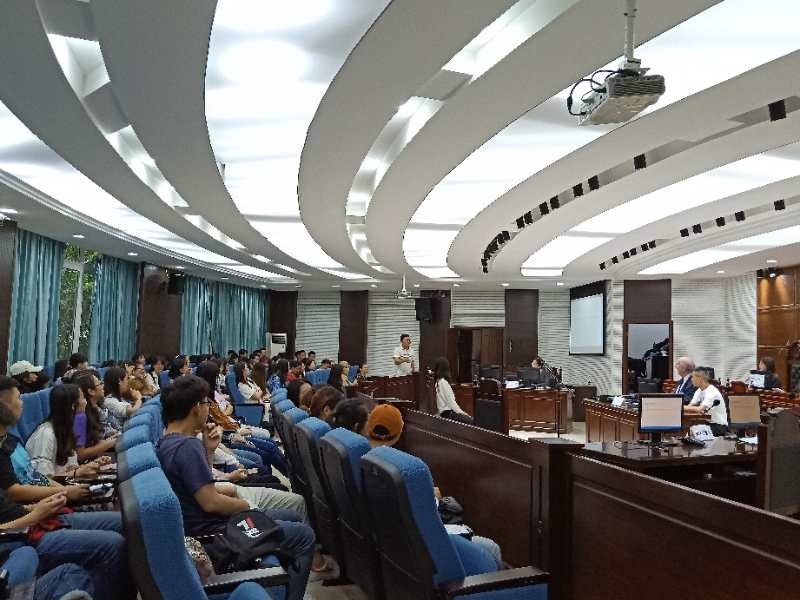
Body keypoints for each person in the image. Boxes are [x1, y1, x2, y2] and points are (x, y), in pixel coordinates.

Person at [156, 375, 314, 600]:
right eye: (206, 403)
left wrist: (209, 450)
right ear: (195, 408)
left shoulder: (166, 442)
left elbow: (198, 486)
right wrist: (245, 506)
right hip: (217, 532)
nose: (209, 409)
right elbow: (210, 502)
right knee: (305, 536)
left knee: (292, 516)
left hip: (206, 526)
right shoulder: (187, 446)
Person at [0, 377, 132, 599]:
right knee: (112, 544)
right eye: (18, 398)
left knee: (126, 520)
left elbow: (36, 476)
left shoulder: (10, 440)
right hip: (26, 530)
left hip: (40, 512)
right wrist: (61, 492)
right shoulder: (47, 433)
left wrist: (69, 482)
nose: (22, 403)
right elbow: (15, 491)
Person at [362, 403, 502, 565]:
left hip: (392, 544)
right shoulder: (403, 468)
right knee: (491, 547)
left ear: (368, 427)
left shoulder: (363, 457)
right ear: (399, 433)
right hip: (423, 547)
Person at [25, 384, 106, 478]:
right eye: (83, 398)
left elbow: (67, 469)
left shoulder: (66, 429)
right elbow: (40, 479)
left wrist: (90, 466)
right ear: (73, 406)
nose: (86, 402)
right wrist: (77, 473)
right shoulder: (46, 435)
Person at [72, 371, 119, 460]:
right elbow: (80, 454)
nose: (103, 385)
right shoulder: (80, 417)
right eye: (100, 383)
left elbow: (96, 441)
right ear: (91, 391)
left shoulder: (95, 410)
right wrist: (112, 442)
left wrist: (114, 439)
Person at [684, 367, 728, 436]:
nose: (691, 380)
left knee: (691, 433)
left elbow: (700, 409)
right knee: (686, 430)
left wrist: (680, 407)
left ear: (700, 378)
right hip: (706, 423)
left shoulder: (712, 391)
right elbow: (690, 406)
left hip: (718, 426)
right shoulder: (699, 390)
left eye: (693, 377)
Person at [433, 358, 473, 424]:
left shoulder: (438, 382)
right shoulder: (443, 382)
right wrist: (464, 414)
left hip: (445, 414)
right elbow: (452, 404)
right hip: (448, 414)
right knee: (472, 421)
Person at [102, 367, 142, 434]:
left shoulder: (120, 397)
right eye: (127, 379)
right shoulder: (109, 401)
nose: (128, 382)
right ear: (119, 381)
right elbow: (131, 411)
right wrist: (139, 398)